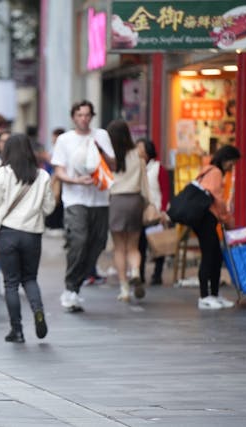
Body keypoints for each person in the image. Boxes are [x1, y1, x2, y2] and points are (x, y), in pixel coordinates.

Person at [0, 134, 55, 342]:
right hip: (32, 234)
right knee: (30, 279)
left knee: (10, 283)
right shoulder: (42, 176)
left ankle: (16, 330)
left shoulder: (2, 174)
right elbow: (49, 207)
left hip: (8, 233)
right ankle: (38, 311)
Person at [51, 100, 115, 312]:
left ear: (92, 116)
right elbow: (59, 170)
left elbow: (113, 164)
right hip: (75, 199)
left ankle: (76, 288)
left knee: (98, 243)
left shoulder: (102, 135)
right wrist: (75, 181)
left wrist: (100, 150)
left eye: (87, 115)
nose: (84, 119)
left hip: (100, 198)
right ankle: (70, 287)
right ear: (73, 117)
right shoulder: (64, 140)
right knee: (79, 240)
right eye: (80, 115)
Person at [192, 145, 241, 310]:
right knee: (209, 256)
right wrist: (226, 218)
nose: (231, 167)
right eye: (231, 163)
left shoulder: (208, 170)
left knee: (215, 256)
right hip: (206, 219)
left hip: (205, 219)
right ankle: (204, 296)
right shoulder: (216, 173)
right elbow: (217, 199)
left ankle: (213, 294)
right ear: (225, 159)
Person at [106, 120, 149, 302]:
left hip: (116, 201)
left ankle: (124, 289)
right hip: (135, 200)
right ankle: (136, 271)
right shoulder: (138, 156)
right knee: (133, 246)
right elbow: (144, 184)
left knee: (119, 248)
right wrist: (148, 203)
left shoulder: (108, 158)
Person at [136, 138, 170, 286]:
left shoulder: (158, 168)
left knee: (158, 245)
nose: (137, 151)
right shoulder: (136, 168)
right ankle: (140, 274)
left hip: (155, 213)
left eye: (140, 149)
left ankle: (157, 274)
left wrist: (163, 211)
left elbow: (165, 191)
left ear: (147, 152)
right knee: (139, 245)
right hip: (139, 212)